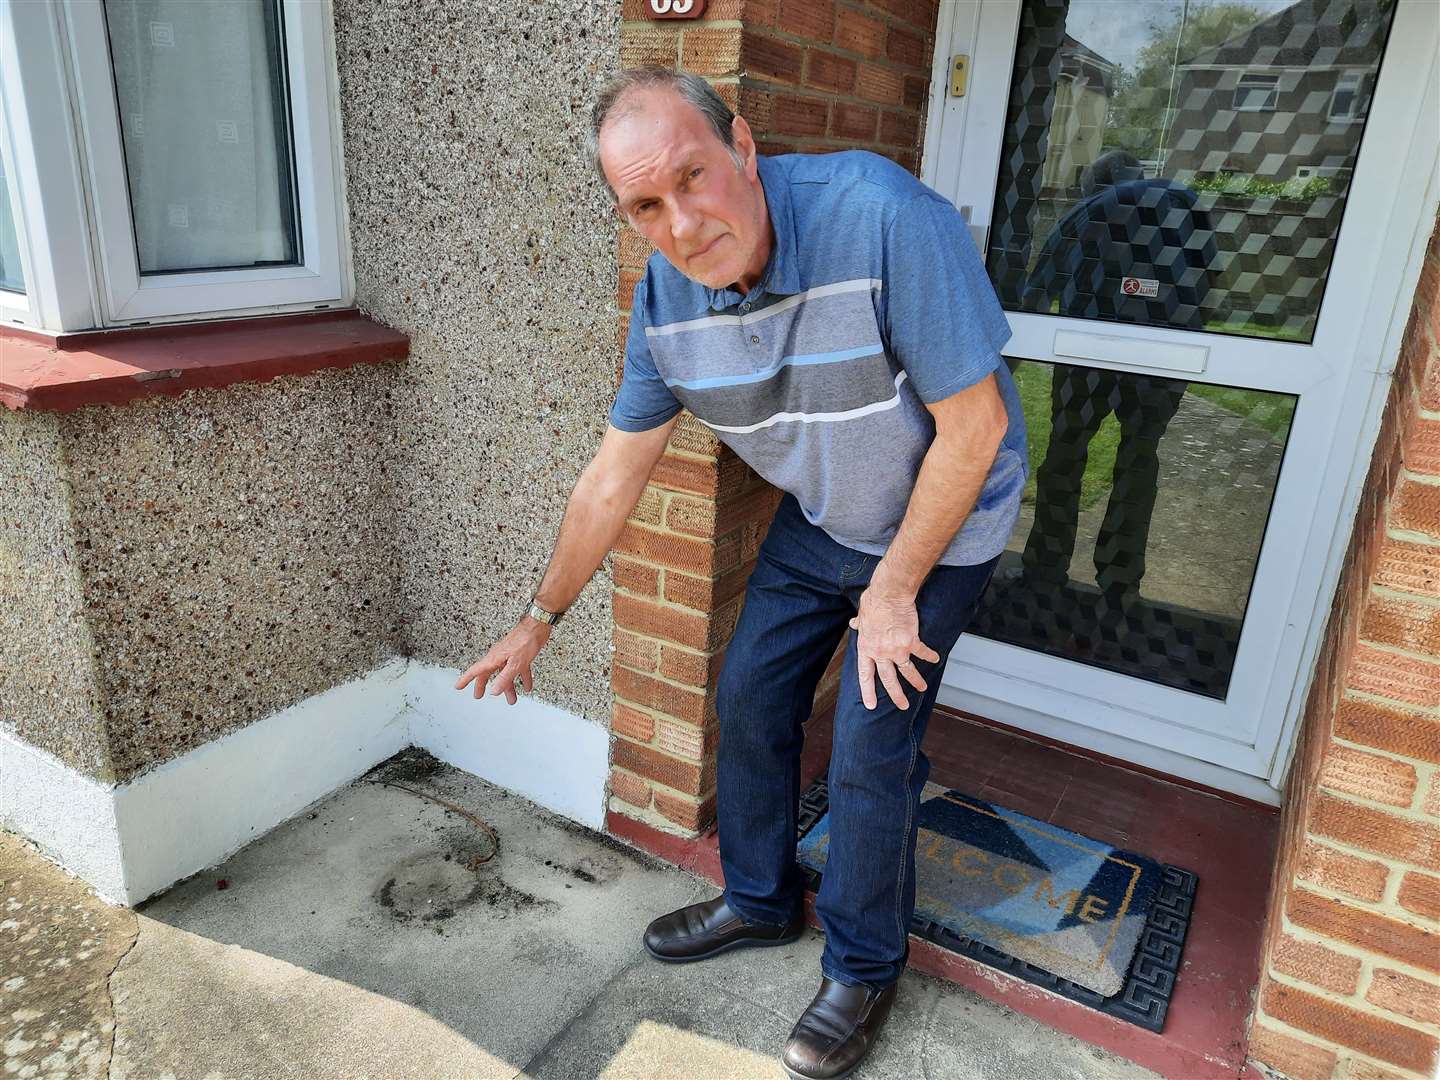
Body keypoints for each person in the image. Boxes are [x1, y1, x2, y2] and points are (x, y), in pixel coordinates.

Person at [454, 67, 1027, 1080]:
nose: (681, 221)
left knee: (869, 745)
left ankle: (863, 963)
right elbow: (610, 480)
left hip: (940, 526)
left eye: (694, 175)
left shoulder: (885, 218)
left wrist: (894, 590)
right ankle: (761, 899)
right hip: (825, 521)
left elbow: (974, 430)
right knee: (752, 697)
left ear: (745, 149)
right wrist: (539, 618)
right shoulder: (666, 308)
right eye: (645, 204)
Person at [1016, 150, 1215, 605]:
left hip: (1086, 359)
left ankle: (1044, 572)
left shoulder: (1085, 213)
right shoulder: (1187, 212)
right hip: (1162, 360)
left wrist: (1008, 366)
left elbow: (1037, 293)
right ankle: (1121, 583)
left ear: (1093, 181)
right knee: (1140, 458)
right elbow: (1208, 289)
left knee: (1066, 454)